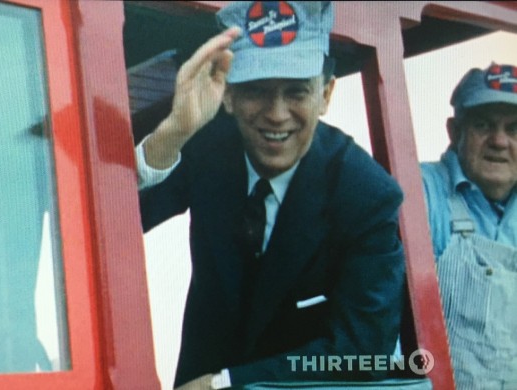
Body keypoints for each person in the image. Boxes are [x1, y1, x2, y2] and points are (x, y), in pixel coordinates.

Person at [136, 2, 405, 388]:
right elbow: (110, 225)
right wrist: (172, 134)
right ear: (228, 96)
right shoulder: (207, 148)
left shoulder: (367, 195)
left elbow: (363, 352)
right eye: (257, 91)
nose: (277, 114)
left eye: (296, 92)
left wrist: (224, 384)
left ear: (325, 94)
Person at [421, 63, 517, 389]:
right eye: (484, 125)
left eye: (514, 129)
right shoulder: (421, 191)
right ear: (454, 131)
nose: (500, 141)